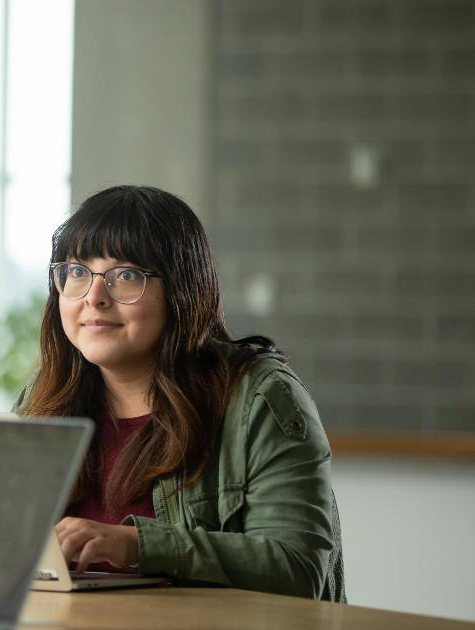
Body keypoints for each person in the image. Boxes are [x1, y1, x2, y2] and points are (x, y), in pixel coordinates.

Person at [18, 184, 344, 602]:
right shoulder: (44, 397)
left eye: (125, 275)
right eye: (77, 272)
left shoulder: (258, 397)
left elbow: (295, 568)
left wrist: (138, 546)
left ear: (181, 291)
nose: (94, 297)